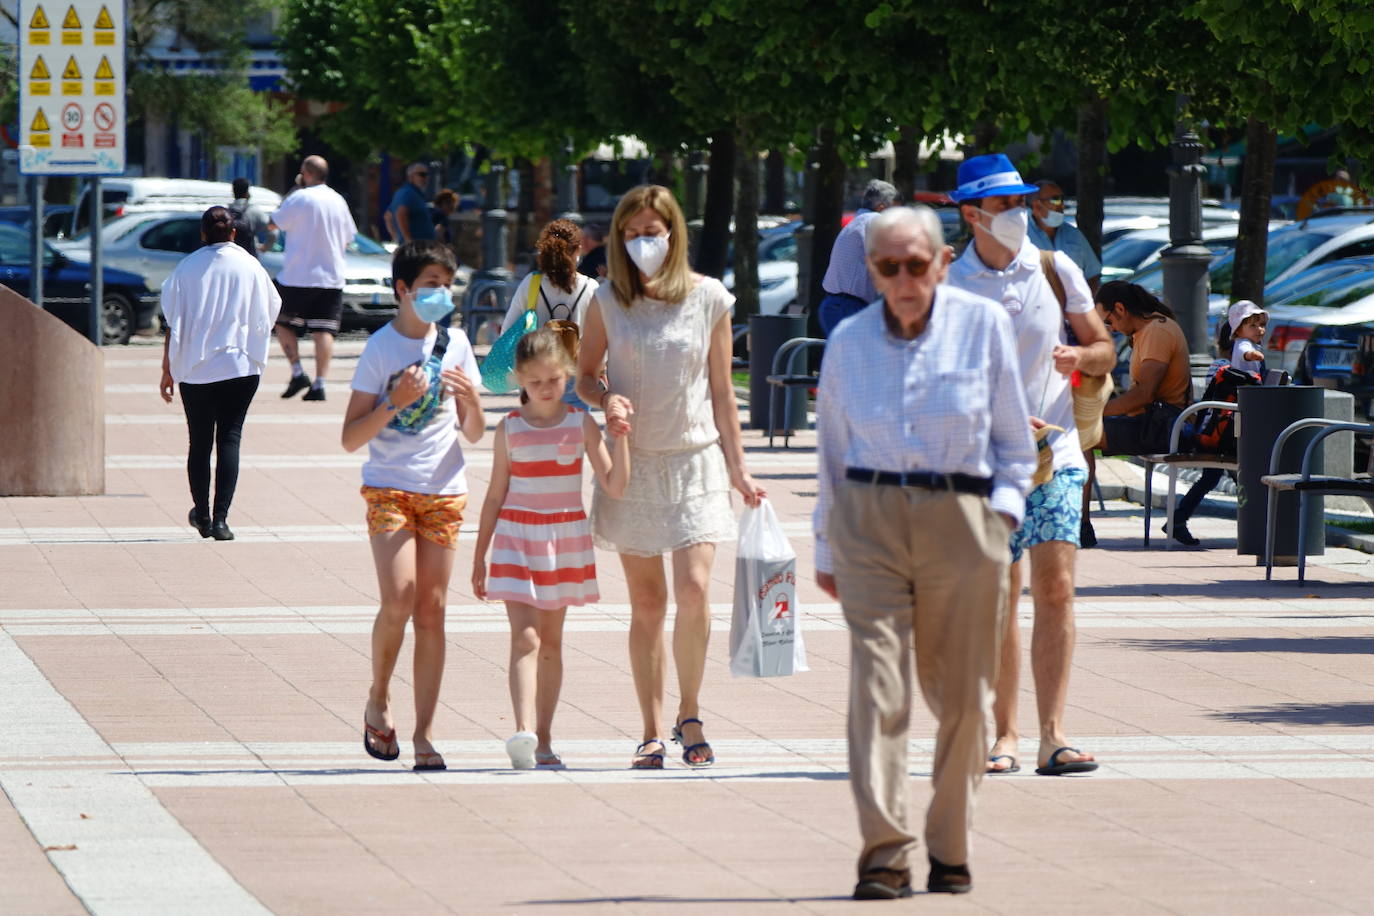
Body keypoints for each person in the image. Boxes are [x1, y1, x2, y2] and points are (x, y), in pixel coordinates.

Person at [815, 205, 1035, 900]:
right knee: (876, 692)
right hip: (870, 520)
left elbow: (1014, 447)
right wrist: (826, 544)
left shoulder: (983, 327)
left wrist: (999, 518)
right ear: (872, 272)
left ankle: (950, 843)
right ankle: (884, 852)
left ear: (941, 263)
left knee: (965, 697)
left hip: (962, 520)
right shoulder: (848, 342)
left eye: (917, 264)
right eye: (890, 266)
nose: (905, 278)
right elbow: (830, 455)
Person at [574, 184, 765, 770]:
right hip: (633, 464)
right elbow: (585, 375)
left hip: (694, 460)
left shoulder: (710, 298)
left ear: (674, 234)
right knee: (649, 604)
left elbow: (723, 392)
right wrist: (606, 401)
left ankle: (690, 711)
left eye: (653, 232)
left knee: (694, 591)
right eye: (632, 235)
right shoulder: (607, 299)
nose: (644, 243)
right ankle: (651, 728)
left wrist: (739, 467)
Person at [945, 153, 1115, 780]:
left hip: (1058, 455)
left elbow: (1101, 347)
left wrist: (1080, 355)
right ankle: (1005, 734)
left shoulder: (1054, 266)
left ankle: (1054, 736)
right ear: (972, 215)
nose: (1020, 213)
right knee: (997, 597)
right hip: (984, 465)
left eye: (1021, 202)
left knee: (1056, 589)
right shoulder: (950, 285)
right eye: (1006, 205)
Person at [342, 239, 485, 772]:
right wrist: (392, 404)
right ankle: (379, 694)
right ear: (402, 289)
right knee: (400, 596)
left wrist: (471, 400)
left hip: (445, 489)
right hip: (390, 487)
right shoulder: (380, 348)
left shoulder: (457, 344)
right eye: (429, 285)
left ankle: (425, 735)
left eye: (446, 285)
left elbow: (474, 433)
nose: (440, 294)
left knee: (433, 609)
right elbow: (350, 437)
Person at [471, 327, 631, 769]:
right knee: (525, 638)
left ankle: (543, 739)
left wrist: (624, 437)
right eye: (535, 381)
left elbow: (615, 485)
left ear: (566, 375)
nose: (544, 389)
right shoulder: (510, 428)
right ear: (520, 379)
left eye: (553, 380)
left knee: (551, 644)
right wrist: (478, 556)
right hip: (516, 540)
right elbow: (493, 496)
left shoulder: (580, 425)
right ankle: (522, 732)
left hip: (562, 541)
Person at [159, 206, 282, 542]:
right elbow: (272, 309)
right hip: (241, 365)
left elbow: (171, 317)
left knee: (199, 442)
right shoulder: (251, 266)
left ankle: (201, 512)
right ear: (233, 233)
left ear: (202, 234)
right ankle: (221, 520)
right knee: (230, 438)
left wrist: (167, 367)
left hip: (195, 368)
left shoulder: (186, 269)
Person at [1166, 300, 1266, 546]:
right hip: (1224, 434)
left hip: (1221, 432)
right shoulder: (1237, 354)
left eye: (1261, 325)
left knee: (1215, 478)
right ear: (1236, 333)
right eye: (1253, 325)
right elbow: (1246, 355)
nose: (1259, 330)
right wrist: (1254, 354)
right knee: (1241, 476)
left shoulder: (1225, 362)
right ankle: (1259, 527)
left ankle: (1178, 520)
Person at [269, 155, 357, 402]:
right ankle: (320, 383)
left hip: (298, 275)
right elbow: (350, 236)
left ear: (305, 173)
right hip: (331, 276)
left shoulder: (300, 197)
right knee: (324, 330)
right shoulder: (338, 200)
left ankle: (298, 371)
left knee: (282, 321)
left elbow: (272, 224)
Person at [501, 219, 599, 405]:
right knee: (575, 430)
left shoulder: (531, 283)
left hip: (535, 375)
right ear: (578, 249)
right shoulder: (590, 287)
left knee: (537, 429)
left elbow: (507, 331)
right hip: (575, 374)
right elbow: (599, 336)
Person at [818, 179, 900, 335]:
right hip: (848, 307)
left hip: (836, 305)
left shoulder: (858, 222)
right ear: (882, 207)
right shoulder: (875, 220)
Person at [1028, 180, 1102, 293]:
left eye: (1062, 199)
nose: (1062, 205)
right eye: (1055, 199)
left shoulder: (1074, 235)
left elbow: (1092, 277)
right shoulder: (1022, 236)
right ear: (1037, 205)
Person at [385, 162, 436, 244]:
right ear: (411, 176)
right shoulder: (408, 192)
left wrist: (396, 237)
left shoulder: (413, 193)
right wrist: (407, 240)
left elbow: (388, 216)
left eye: (427, 175)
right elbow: (400, 214)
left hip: (420, 245)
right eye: (422, 174)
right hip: (416, 247)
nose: (426, 178)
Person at [229, 177, 274, 253]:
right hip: (249, 257)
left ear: (233, 192)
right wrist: (265, 247)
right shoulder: (254, 211)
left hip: (230, 256)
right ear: (247, 192)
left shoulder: (226, 212)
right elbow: (273, 231)